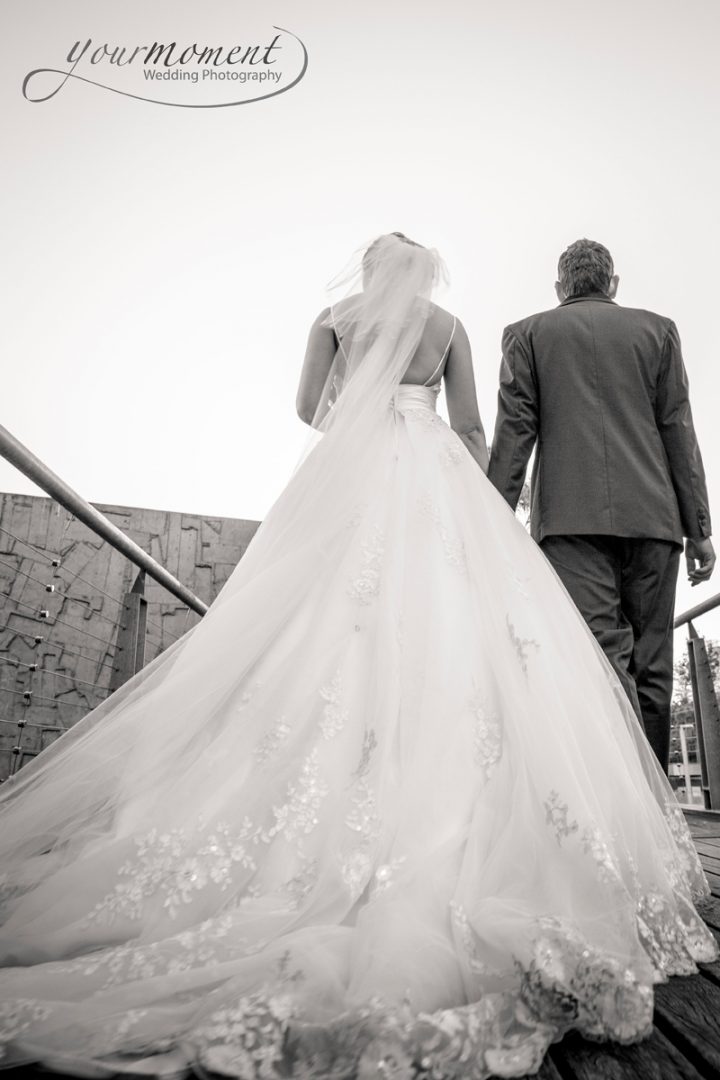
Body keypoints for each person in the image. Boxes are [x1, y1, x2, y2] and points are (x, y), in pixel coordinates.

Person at [0, 233, 716, 1080]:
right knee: (558, 654)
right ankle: (626, 812)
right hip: (528, 493)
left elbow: (312, 409)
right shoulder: (452, 324)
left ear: (368, 272)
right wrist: (503, 515)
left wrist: (365, 415)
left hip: (371, 476)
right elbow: (482, 424)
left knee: (325, 633)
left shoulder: (340, 320)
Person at [488, 238, 715, 773]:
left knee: (598, 661)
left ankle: (623, 808)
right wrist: (699, 527)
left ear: (560, 287)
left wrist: (493, 519)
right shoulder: (658, 331)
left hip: (569, 525)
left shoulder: (527, 335)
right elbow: (677, 428)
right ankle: (660, 808)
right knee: (653, 665)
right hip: (656, 523)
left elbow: (515, 432)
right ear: (612, 284)